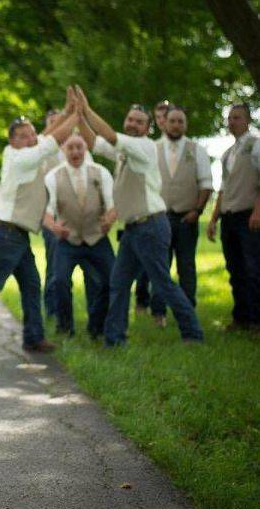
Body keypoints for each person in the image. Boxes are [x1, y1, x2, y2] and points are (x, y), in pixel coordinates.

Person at [75, 87, 203, 346]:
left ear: (149, 128)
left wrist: (87, 110)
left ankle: (193, 333)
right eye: (130, 119)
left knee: (162, 283)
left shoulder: (143, 147)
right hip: (134, 229)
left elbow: (109, 136)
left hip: (151, 226)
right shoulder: (126, 151)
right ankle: (114, 339)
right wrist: (78, 117)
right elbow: (94, 143)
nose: (133, 124)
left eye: (139, 121)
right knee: (119, 283)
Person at [0, 87, 80, 356]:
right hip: (5, 232)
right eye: (23, 135)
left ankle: (34, 338)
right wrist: (77, 115)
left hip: (16, 234)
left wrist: (66, 112)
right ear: (12, 142)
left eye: (32, 132)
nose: (31, 137)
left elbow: (45, 137)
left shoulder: (30, 153)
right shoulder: (18, 157)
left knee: (32, 285)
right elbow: (50, 141)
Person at [43, 134, 116, 338]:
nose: (75, 152)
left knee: (111, 280)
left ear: (86, 149)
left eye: (79, 147)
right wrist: (54, 226)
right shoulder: (53, 176)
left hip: (97, 238)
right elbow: (47, 213)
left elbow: (111, 206)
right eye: (70, 148)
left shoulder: (101, 173)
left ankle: (97, 325)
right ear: (64, 150)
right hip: (68, 240)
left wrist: (109, 220)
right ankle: (65, 327)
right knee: (59, 282)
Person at [148, 106, 213, 325]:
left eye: (180, 122)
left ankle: (187, 313)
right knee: (160, 266)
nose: (176, 125)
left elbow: (206, 184)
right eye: (172, 121)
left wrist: (197, 211)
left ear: (185, 125)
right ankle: (158, 313)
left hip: (187, 218)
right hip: (159, 217)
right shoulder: (152, 149)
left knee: (186, 266)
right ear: (164, 123)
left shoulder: (197, 150)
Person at [207, 103, 260, 331]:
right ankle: (241, 317)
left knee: (253, 268)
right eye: (229, 118)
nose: (232, 122)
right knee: (235, 268)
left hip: (249, 215)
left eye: (237, 118)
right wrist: (213, 218)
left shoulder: (256, 145)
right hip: (229, 216)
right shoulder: (228, 153)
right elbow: (223, 188)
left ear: (248, 120)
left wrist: (258, 211)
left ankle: (257, 320)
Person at [136, 99, 172, 313]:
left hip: (162, 215)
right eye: (158, 117)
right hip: (145, 213)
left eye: (164, 117)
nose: (162, 121)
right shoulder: (151, 145)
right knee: (141, 268)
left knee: (162, 270)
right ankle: (142, 302)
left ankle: (163, 311)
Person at [40, 109, 65, 320]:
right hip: (51, 217)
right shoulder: (43, 151)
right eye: (52, 122)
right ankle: (51, 310)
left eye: (61, 122)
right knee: (54, 264)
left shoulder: (76, 147)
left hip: (76, 219)